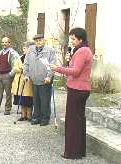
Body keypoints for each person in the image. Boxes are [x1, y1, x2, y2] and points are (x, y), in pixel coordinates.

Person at [50, 28, 93, 159]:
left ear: (81, 39)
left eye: (74, 39)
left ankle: (72, 152)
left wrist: (57, 68)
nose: (72, 41)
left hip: (77, 89)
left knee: (72, 122)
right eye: (71, 39)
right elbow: (75, 68)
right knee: (78, 121)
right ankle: (79, 151)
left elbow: (75, 71)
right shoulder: (84, 50)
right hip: (82, 89)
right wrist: (69, 60)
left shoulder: (82, 51)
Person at [23, 34, 57, 126]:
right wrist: (26, 74)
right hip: (34, 79)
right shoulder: (31, 50)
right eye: (36, 40)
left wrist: (49, 76)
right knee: (36, 99)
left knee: (44, 100)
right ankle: (36, 117)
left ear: (44, 40)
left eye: (40, 40)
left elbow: (53, 64)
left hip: (45, 79)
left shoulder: (50, 50)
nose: (38, 42)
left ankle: (45, 118)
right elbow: (26, 63)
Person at [11, 42, 34, 121]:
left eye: (25, 48)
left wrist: (24, 69)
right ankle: (23, 115)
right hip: (19, 80)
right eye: (23, 48)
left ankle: (29, 115)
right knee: (21, 99)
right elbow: (15, 67)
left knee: (28, 99)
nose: (23, 49)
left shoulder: (32, 58)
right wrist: (20, 69)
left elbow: (32, 68)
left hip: (27, 81)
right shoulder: (20, 57)